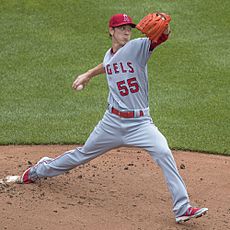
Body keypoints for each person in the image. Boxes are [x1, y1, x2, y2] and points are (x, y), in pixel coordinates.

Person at [19, 13, 208, 223]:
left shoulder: (138, 46)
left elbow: (159, 39)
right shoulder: (109, 55)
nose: (127, 31)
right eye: (121, 28)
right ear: (111, 31)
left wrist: (164, 29)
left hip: (140, 124)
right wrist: (88, 74)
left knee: (164, 152)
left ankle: (182, 208)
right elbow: (108, 64)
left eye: (129, 28)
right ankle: (38, 170)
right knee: (81, 155)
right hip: (112, 123)